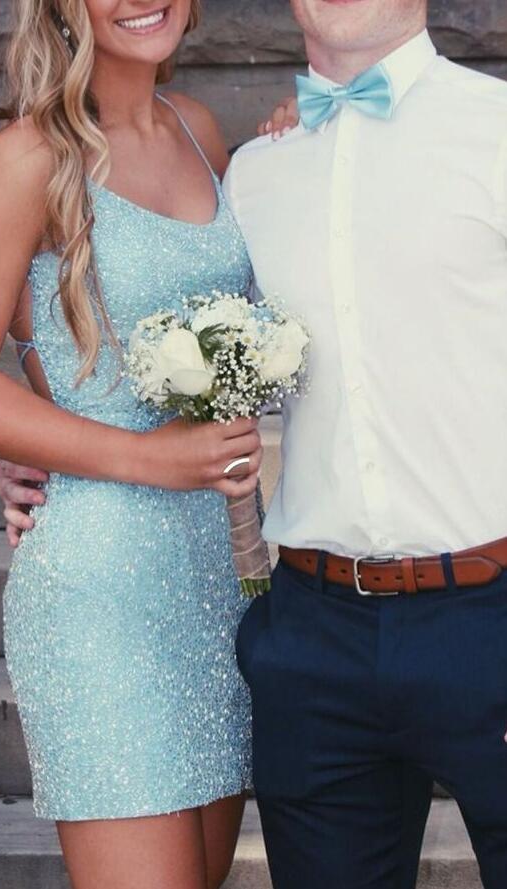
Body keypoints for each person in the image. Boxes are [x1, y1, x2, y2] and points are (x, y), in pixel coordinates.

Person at [0, 3, 265, 888]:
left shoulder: (199, 131)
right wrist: (145, 456)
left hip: (221, 577)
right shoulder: (30, 159)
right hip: (101, 590)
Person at [224, 1, 507, 887]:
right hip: (315, 637)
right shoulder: (253, 173)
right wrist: (41, 438)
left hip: (492, 607)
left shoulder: (497, 130)